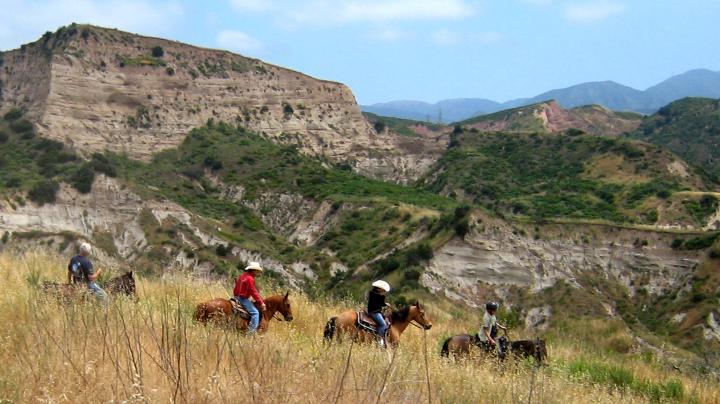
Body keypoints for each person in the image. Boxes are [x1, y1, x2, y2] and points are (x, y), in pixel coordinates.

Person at [233, 262, 266, 334]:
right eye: (257, 271)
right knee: (255, 313)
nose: (258, 273)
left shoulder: (243, 275)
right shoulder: (250, 278)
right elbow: (253, 291)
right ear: (253, 270)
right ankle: (250, 333)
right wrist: (261, 303)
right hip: (242, 299)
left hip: (236, 297)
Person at [367, 280, 391, 348]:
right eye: (383, 289)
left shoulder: (374, 293)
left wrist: (385, 304)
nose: (384, 290)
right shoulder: (375, 294)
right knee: (383, 325)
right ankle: (379, 341)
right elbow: (377, 303)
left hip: (375, 311)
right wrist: (383, 304)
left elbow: (378, 303)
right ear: (379, 288)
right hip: (374, 312)